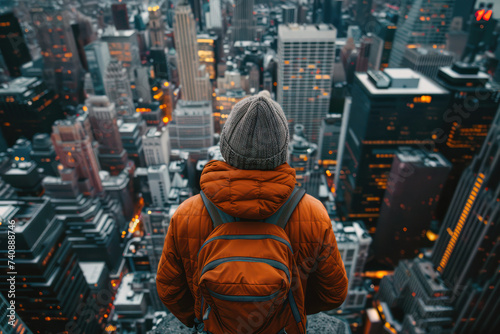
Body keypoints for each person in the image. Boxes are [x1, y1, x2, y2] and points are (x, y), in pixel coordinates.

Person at [157, 91, 348, 333]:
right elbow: (333, 293)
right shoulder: (313, 213)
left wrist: (204, 316)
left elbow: (169, 289)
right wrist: (287, 308)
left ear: (225, 147)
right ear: (282, 151)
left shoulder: (187, 214)